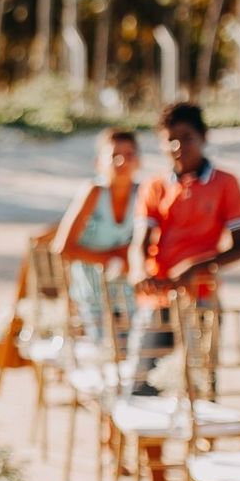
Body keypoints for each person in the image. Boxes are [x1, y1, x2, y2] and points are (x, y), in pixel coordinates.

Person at [125, 102, 240, 481]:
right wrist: (137, 269)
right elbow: (141, 242)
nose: (179, 146)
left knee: (200, 394)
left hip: (201, 302)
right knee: (142, 389)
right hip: (157, 300)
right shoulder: (155, 186)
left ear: (203, 138)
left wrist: (198, 265)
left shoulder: (226, 183)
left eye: (187, 138)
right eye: (171, 140)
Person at [54, 128, 139, 337]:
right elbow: (63, 248)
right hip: (92, 297)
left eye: (129, 155)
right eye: (114, 156)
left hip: (133, 297)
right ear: (99, 162)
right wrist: (112, 259)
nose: (122, 162)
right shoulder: (93, 192)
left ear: (138, 161)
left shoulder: (144, 193)